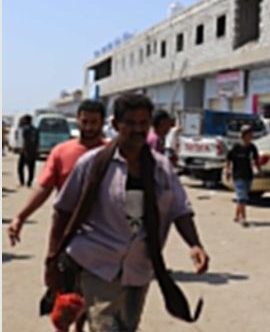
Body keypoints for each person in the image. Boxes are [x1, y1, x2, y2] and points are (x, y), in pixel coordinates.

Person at [45, 93, 209, 331]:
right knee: (105, 326)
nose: (138, 129)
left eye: (143, 123)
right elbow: (63, 211)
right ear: (115, 125)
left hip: (139, 267)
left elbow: (179, 208)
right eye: (130, 123)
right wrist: (52, 259)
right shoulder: (92, 164)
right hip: (98, 264)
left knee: (127, 327)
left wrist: (195, 244)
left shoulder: (161, 168)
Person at [8, 100, 106, 247]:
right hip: (65, 226)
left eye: (94, 122)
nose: (89, 127)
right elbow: (44, 188)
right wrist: (21, 217)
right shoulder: (61, 152)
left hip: (102, 230)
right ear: (78, 120)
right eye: (85, 121)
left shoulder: (112, 153)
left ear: (102, 123)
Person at [225, 125, 262, 227]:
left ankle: (237, 215)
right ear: (243, 135)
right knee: (242, 197)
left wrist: (259, 170)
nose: (251, 136)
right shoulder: (236, 147)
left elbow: (256, 160)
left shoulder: (252, 147)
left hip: (248, 175)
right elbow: (229, 159)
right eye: (249, 134)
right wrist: (228, 170)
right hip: (238, 175)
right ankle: (243, 218)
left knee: (243, 197)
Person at [17, 114, 39, 187]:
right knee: (31, 168)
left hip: (25, 151)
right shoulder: (35, 129)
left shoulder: (25, 129)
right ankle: (29, 182)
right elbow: (37, 141)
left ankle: (22, 182)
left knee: (20, 167)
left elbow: (25, 141)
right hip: (33, 151)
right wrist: (36, 150)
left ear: (26, 120)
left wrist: (24, 150)